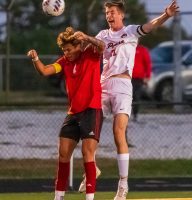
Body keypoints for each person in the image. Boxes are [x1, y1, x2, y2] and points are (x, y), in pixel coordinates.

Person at [95, 1, 179, 200]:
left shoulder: (131, 31)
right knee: (91, 129)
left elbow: (150, 26)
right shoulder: (102, 35)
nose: (109, 15)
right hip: (103, 86)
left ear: (121, 15)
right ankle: (91, 169)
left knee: (119, 132)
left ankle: (123, 184)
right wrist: (80, 38)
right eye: (107, 12)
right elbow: (92, 47)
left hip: (123, 86)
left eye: (112, 12)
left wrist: (166, 15)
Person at [27, 27, 105, 200]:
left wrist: (86, 37)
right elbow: (45, 71)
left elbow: (102, 46)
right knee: (63, 154)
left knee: (87, 154)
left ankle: (90, 198)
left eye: (69, 50)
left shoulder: (90, 54)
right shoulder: (64, 61)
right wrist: (36, 58)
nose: (66, 53)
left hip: (92, 110)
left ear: (78, 46)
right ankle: (58, 197)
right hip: (73, 113)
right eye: (64, 50)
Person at [132, 44, 152, 121]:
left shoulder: (142, 50)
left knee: (136, 97)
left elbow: (148, 64)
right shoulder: (125, 48)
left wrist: (147, 76)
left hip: (138, 78)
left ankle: (135, 115)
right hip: (127, 77)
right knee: (126, 97)